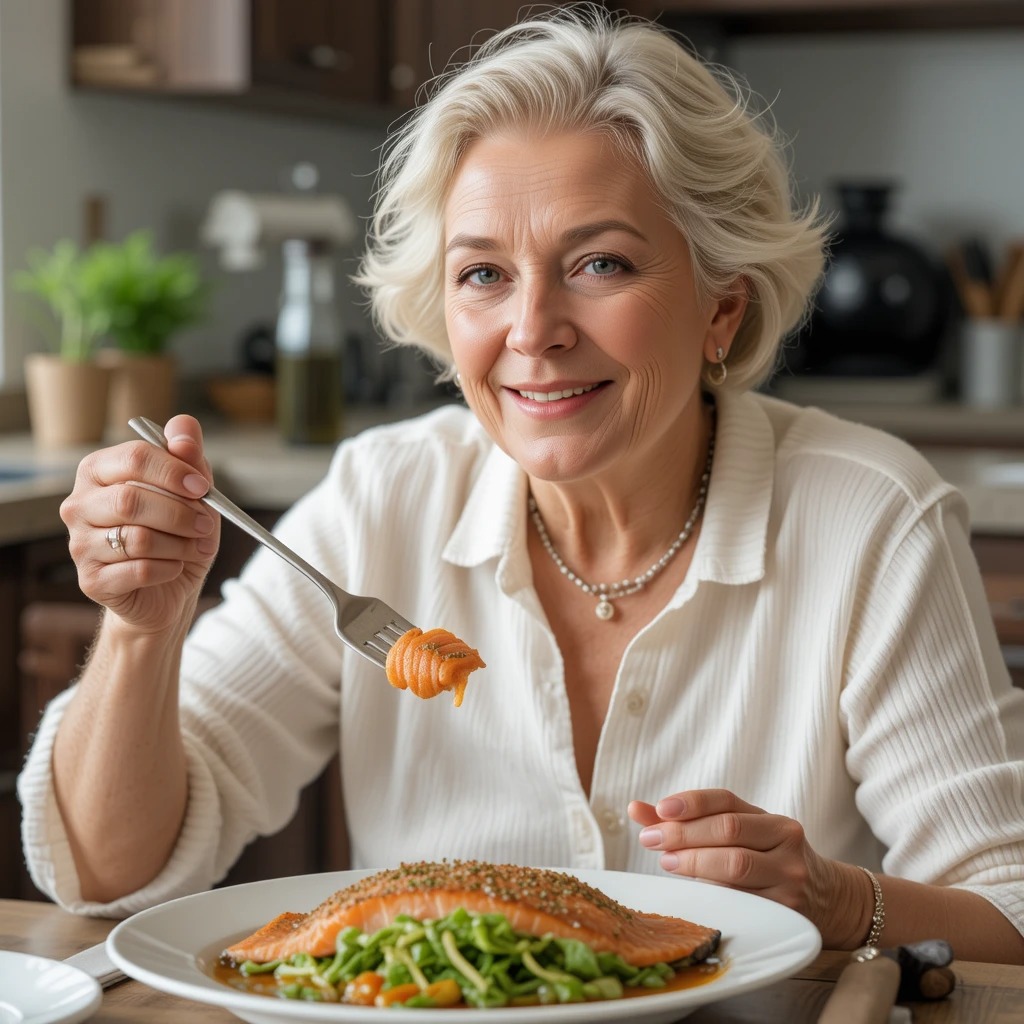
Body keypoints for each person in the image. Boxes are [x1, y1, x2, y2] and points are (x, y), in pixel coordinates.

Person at [19, 4, 1024, 963]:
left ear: (721, 308)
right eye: (483, 274)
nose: (532, 330)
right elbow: (110, 876)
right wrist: (143, 632)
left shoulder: (869, 518)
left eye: (600, 263)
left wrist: (842, 899)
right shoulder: (380, 503)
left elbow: (1010, 911)